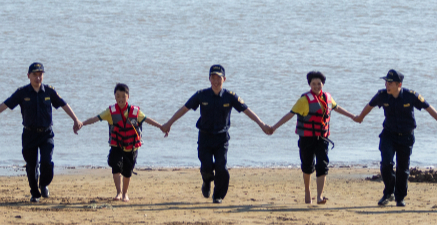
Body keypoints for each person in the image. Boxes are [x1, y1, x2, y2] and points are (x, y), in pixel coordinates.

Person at [160, 65, 273, 205]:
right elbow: (184, 109)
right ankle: (206, 181)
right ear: (209, 79)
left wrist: (262, 125)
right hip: (205, 137)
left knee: (221, 168)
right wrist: (169, 123)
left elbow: (246, 110)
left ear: (224, 79)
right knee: (206, 166)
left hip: (221, 138)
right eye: (213, 78)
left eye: (218, 78)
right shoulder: (201, 95)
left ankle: (218, 196)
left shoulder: (230, 96)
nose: (215, 81)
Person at [0, 62, 83, 203]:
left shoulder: (49, 91)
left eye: (40, 74)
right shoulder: (22, 92)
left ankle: (44, 183)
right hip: (29, 134)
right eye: (35, 74)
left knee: (46, 162)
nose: (38, 78)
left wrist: (75, 119)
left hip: (46, 134)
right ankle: (35, 193)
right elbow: (5, 104)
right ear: (28, 76)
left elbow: (63, 104)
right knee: (31, 165)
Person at [355, 69, 437, 207]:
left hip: (406, 136)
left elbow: (428, 107)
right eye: (386, 82)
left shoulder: (410, 96)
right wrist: (360, 117)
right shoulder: (382, 95)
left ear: (399, 84)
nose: (387, 85)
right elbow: (370, 106)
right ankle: (388, 193)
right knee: (386, 164)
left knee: (403, 168)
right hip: (388, 135)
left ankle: (400, 197)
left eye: (390, 83)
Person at [267, 71, 360, 205]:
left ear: (323, 84)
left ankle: (320, 196)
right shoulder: (304, 100)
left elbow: (337, 108)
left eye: (319, 84)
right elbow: (290, 115)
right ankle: (307, 191)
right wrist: (274, 127)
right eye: (313, 84)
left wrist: (353, 117)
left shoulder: (328, 98)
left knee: (322, 165)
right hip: (307, 139)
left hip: (322, 138)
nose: (316, 86)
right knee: (307, 166)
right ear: (309, 84)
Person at [80, 82, 165, 202]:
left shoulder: (135, 112)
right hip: (117, 145)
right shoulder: (110, 111)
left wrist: (162, 127)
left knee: (127, 170)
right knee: (116, 166)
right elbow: (95, 118)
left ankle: (125, 193)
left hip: (131, 146)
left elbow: (147, 120)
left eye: (123, 96)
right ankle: (118, 192)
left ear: (128, 97)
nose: (120, 99)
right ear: (114, 97)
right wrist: (82, 123)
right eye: (118, 96)